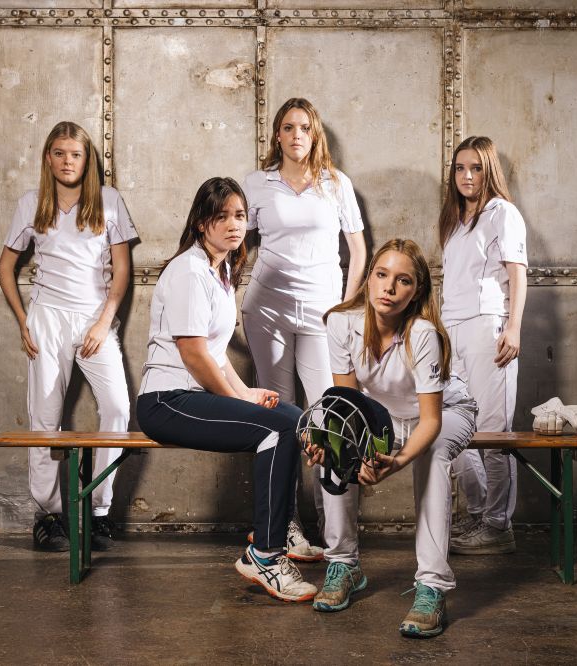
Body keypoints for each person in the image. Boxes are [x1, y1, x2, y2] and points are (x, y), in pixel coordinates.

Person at [136, 177, 317, 603]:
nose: (234, 225)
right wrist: (236, 398)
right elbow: (194, 356)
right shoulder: (188, 271)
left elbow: (216, 356)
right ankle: (266, 555)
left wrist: (247, 392)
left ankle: (276, 533)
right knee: (278, 430)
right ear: (201, 223)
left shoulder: (220, 273)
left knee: (293, 418)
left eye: (239, 215)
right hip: (166, 402)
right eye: (222, 217)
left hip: (191, 396)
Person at [305, 239, 477, 638]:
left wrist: (396, 463)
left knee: (431, 454)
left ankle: (432, 586)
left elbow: (431, 421)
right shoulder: (340, 323)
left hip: (447, 414)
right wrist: (337, 446)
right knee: (336, 443)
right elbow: (347, 406)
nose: (389, 287)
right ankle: (343, 564)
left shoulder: (423, 333)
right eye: (381, 275)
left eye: (402, 281)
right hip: (384, 416)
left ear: (416, 291)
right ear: (368, 280)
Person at [0, 121, 137, 552]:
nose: (67, 161)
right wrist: (25, 320)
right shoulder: (30, 204)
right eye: (59, 153)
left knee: (117, 407)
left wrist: (102, 323)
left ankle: (98, 512)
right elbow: (5, 268)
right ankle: (50, 514)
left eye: (74, 154)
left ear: (86, 159)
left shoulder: (109, 201)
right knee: (45, 418)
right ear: (48, 158)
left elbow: (122, 272)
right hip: (47, 318)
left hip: (93, 318)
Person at [241, 97, 367, 559]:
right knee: (278, 415)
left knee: (328, 418)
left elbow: (358, 249)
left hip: (322, 314)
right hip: (266, 310)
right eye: (289, 127)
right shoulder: (256, 184)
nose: (297, 135)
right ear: (277, 134)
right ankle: (285, 527)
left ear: (316, 135)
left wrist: (346, 307)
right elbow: (237, 240)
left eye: (305, 128)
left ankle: (339, 540)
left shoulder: (336, 184)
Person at [438, 136, 529, 556]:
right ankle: (477, 513)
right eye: (460, 168)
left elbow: (517, 273)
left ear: (489, 170)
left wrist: (513, 327)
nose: (467, 176)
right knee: (453, 428)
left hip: (488, 328)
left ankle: (498, 525)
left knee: (491, 432)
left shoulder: (501, 213)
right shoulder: (457, 221)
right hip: (453, 330)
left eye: (475, 168)